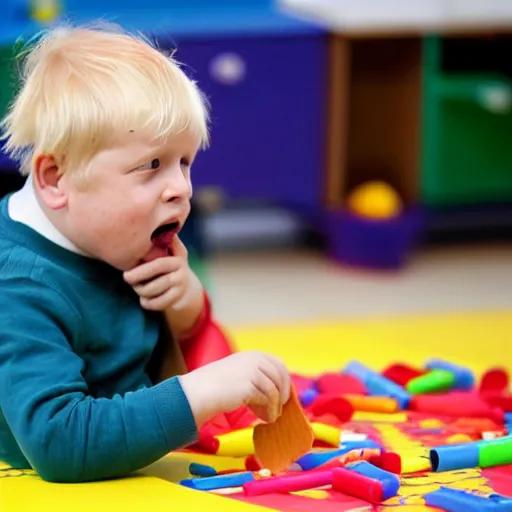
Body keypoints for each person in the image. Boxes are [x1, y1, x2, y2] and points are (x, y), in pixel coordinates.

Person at [0, 23, 291, 483]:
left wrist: (186, 305)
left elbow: (176, 342)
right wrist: (201, 392)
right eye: (152, 165)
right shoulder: (18, 286)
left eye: (185, 162)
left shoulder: (115, 232)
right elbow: (59, 444)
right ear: (56, 179)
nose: (179, 188)